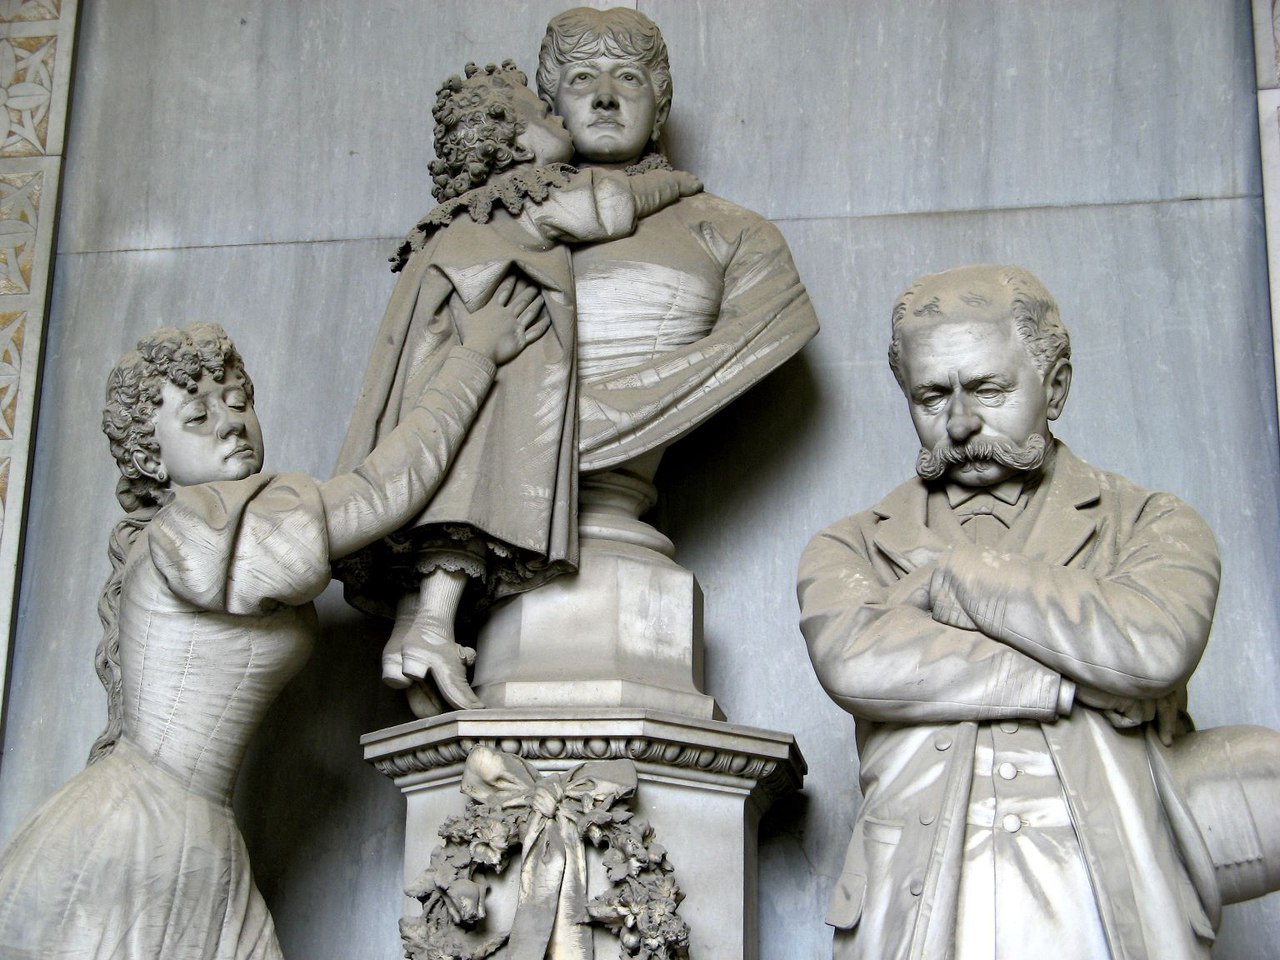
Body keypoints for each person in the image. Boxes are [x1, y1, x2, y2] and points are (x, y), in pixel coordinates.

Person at [0, 292, 545, 959]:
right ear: (150, 461)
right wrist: (473, 357)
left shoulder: (200, 531)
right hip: (147, 836)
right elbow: (382, 492)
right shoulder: (200, 525)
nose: (230, 425)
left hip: (176, 827)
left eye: (238, 403)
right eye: (197, 416)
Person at [798, 264, 1227, 959]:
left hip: (1106, 894)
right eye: (932, 396)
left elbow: (1155, 644)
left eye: (990, 389)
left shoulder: (1151, 523)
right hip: (917, 902)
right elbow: (859, 661)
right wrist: (1087, 678)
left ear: (1055, 386)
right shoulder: (850, 544)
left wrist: (962, 577)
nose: (961, 423)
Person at [335, 60, 701, 715]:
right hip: (493, 359)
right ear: (514, 140)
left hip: (444, 368)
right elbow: (608, 207)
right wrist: (671, 183)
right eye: (547, 113)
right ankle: (432, 623)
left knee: (442, 491)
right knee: (472, 488)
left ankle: (420, 626)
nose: (565, 118)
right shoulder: (527, 191)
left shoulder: (459, 214)